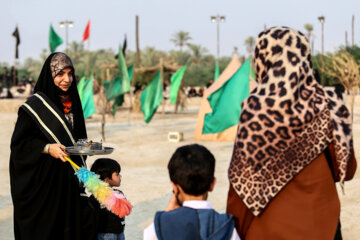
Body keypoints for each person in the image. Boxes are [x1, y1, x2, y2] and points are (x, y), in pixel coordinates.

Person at [226, 27, 357, 239]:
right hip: (322, 227)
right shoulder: (330, 104)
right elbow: (347, 171)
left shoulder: (255, 109)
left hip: (266, 230)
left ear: (263, 60)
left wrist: (234, 226)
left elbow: (242, 185)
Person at [10, 52, 96, 239]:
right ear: (50, 76)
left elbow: (78, 137)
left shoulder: (74, 102)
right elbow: (20, 145)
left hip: (70, 181)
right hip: (45, 184)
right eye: (60, 74)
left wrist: (85, 147)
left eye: (70, 74)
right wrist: (48, 148)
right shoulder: (34, 106)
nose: (67, 79)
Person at [144, 144, 240, 240]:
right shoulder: (227, 229)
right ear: (212, 184)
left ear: (175, 187)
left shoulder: (156, 230)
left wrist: (166, 216)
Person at [90, 158, 127, 240]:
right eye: (117, 174)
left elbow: (123, 213)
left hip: (120, 231)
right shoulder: (96, 197)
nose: (120, 176)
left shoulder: (119, 194)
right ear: (107, 180)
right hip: (105, 234)